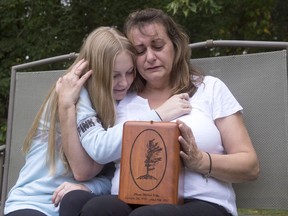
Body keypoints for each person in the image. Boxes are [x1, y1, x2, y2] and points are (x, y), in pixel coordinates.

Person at [59, 8, 259, 216]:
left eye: (158, 46)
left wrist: (200, 160)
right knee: (95, 208)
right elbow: (92, 161)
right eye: (140, 51)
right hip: (128, 199)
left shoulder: (209, 88)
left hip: (201, 202)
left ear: (175, 45)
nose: (150, 57)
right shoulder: (121, 98)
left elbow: (250, 166)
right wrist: (67, 101)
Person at [5, 26, 179, 216]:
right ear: (92, 72)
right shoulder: (74, 95)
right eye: (114, 76)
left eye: (130, 72)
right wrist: (66, 106)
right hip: (35, 203)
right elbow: (84, 171)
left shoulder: (124, 101)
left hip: (76, 202)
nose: (124, 82)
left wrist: (91, 187)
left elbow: (114, 174)